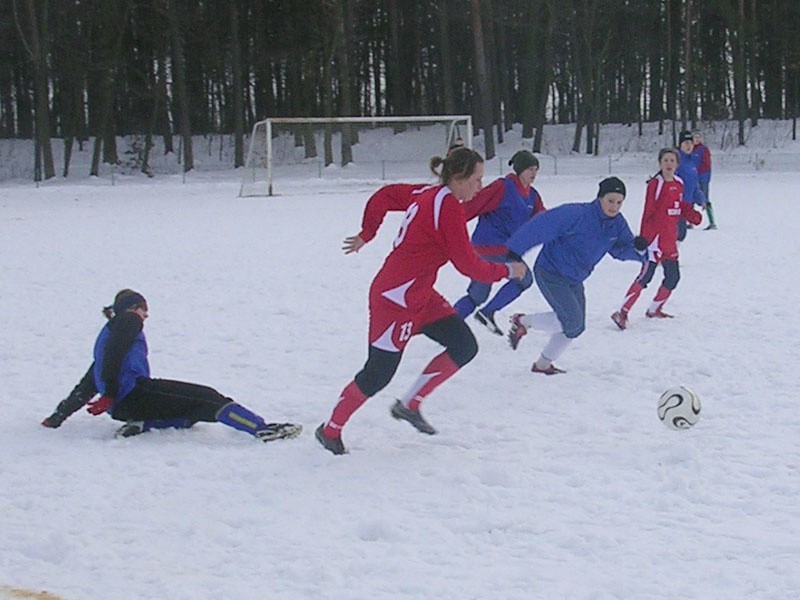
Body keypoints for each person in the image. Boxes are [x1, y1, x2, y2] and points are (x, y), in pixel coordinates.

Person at [316, 147, 527, 455]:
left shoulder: (430, 192)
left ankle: (410, 404)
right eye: (477, 179)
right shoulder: (449, 208)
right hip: (394, 298)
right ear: (457, 177)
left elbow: (386, 196)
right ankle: (329, 430)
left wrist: (368, 232)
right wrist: (509, 270)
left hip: (420, 294)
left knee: (464, 346)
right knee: (377, 374)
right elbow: (468, 265)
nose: (480, 187)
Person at [42, 289, 302, 442]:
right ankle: (262, 430)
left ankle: (142, 425)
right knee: (208, 397)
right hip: (134, 394)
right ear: (135, 308)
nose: (146, 316)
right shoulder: (128, 321)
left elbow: (88, 382)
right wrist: (110, 392)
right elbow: (112, 357)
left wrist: (59, 416)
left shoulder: (107, 334)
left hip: (123, 407)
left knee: (192, 411)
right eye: (145, 309)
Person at [506, 177, 647, 374]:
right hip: (551, 272)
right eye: (610, 200)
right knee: (571, 320)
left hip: (575, 278)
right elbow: (541, 226)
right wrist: (514, 251)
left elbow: (620, 249)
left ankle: (542, 365)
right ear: (600, 198)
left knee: (576, 327)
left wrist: (640, 251)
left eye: (619, 202)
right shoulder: (576, 214)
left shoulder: (617, 224)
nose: (614, 206)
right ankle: (522, 321)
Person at [453, 150, 546, 336]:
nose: (534, 173)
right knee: (524, 278)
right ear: (519, 170)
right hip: (490, 246)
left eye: (536, 169)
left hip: (504, 249)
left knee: (477, 294)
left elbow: (543, 219)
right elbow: (474, 204)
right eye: (529, 169)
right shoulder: (503, 186)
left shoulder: (532, 195)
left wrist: (562, 230)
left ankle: (449, 325)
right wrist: (449, 219)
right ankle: (487, 312)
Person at [610, 148, 703, 329]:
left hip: (670, 239)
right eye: (665, 160)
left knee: (673, 277)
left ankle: (654, 309)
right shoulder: (655, 183)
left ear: (677, 164)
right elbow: (648, 210)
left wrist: (692, 214)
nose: (668, 164)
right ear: (660, 163)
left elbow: (679, 205)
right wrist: (644, 237)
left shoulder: (679, 183)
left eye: (672, 160)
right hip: (654, 240)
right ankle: (622, 312)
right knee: (646, 277)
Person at [676, 130, 708, 241]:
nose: (689, 146)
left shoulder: (692, 162)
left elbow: (694, 186)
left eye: (691, 143)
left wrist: (701, 199)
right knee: (677, 235)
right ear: (680, 145)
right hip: (676, 207)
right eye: (686, 143)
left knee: (681, 236)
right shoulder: (675, 161)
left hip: (687, 206)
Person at [692, 130, 717, 230]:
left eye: (699, 137)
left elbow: (706, 164)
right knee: (690, 198)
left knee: (704, 198)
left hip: (703, 177)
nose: (697, 139)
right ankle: (690, 221)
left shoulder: (704, 150)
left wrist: (696, 171)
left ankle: (712, 222)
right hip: (692, 178)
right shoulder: (690, 149)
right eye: (695, 137)